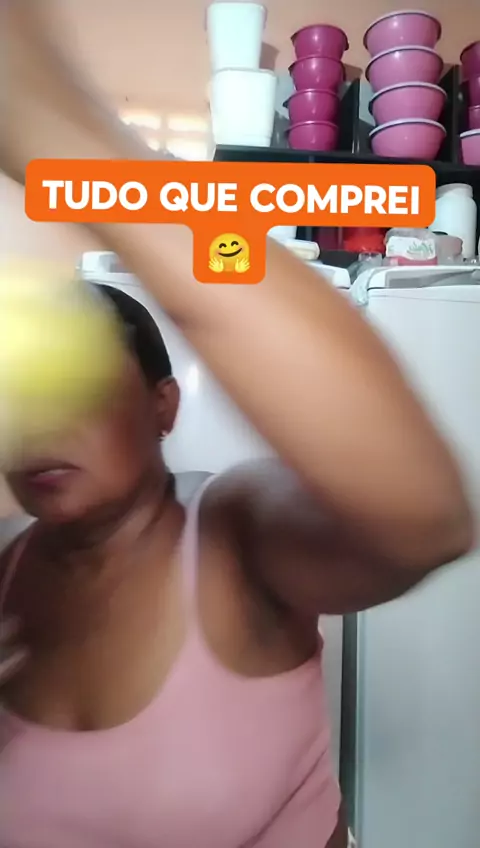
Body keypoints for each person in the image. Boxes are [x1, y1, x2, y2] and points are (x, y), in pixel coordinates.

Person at [0, 3, 474, 847]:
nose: (39, 427)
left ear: (163, 405)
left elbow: (423, 518)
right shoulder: (8, 562)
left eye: (81, 387)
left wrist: (62, 133)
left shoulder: (230, 529)